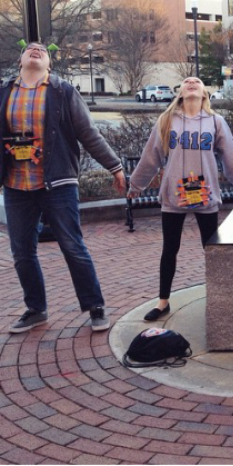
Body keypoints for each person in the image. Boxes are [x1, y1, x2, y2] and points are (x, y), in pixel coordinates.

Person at [1, 41, 126, 334]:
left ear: (49, 64)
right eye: (30, 48)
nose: (36, 50)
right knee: (21, 252)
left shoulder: (62, 91)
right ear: (20, 60)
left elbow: (88, 133)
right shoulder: (5, 91)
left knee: (72, 246)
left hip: (57, 182)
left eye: (42, 50)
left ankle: (95, 306)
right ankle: (36, 309)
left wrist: (115, 166)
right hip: (17, 186)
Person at [128, 77, 233, 322]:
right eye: (186, 81)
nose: (191, 82)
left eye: (197, 81)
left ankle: (222, 297)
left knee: (211, 249)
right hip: (173, 197)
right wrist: (136, 185)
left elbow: (232, 157)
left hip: (206, 196)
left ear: (204, 94)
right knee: (170, 248)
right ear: (179, 92)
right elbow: (151, 157)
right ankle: (163, 302)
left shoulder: (216, 122)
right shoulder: (167, 120)